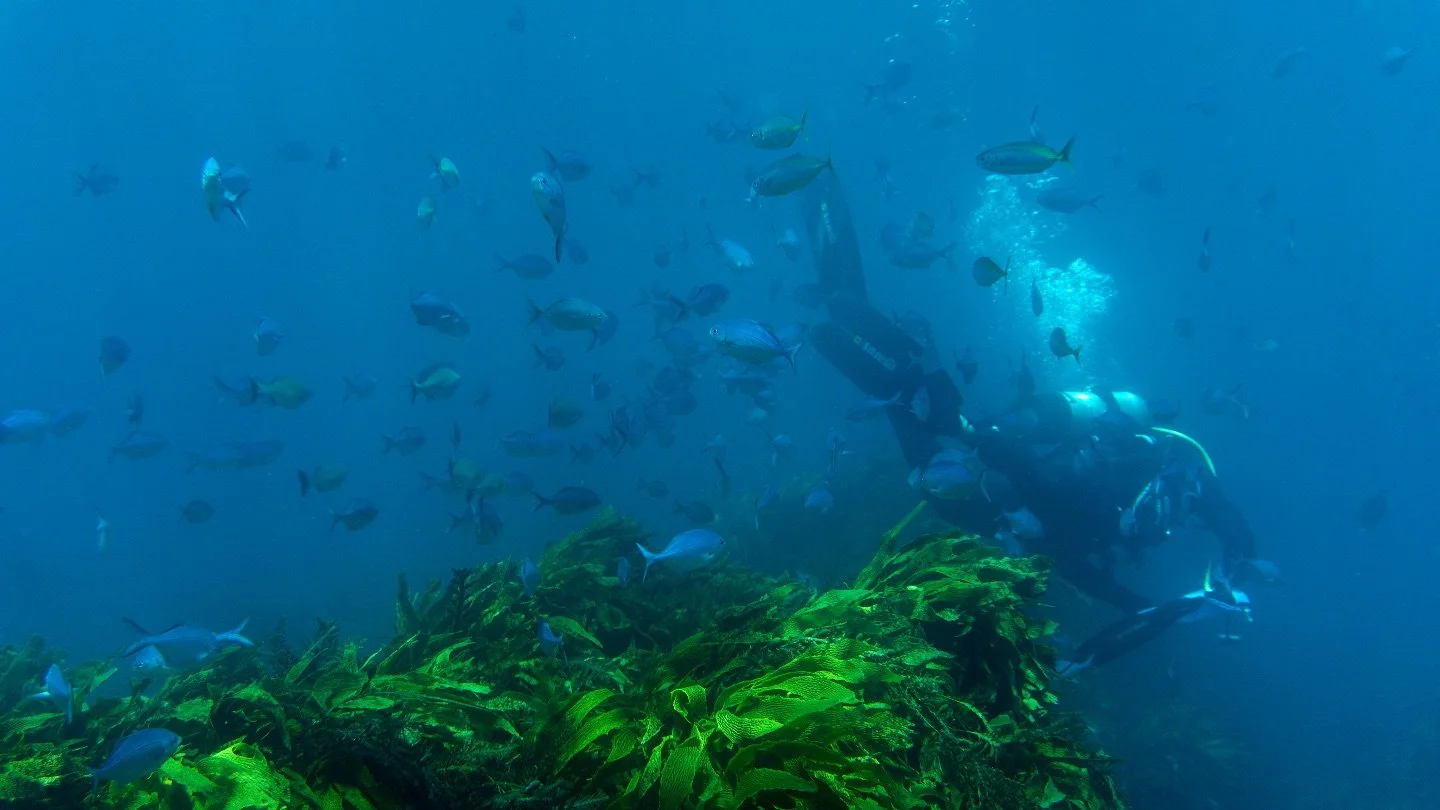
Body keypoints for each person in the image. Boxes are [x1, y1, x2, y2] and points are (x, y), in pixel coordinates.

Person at [801, 174, 1262, 616]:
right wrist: (1239, 552)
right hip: (1034, 475)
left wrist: (1143, 607)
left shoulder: (1124, 512)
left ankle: (896, 380)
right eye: (1162, 519)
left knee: (936, 475)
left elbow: (1080, 570)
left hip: (1026, 505)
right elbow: (1217, 510)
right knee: (952, 426)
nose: (1161, 527)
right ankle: (918, 371)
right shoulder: (1160, 469)